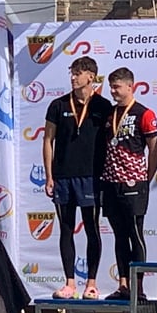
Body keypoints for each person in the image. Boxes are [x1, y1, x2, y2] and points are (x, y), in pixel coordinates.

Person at [43, 56, 112, 299]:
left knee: (92, 228)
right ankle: (69, 283)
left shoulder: (103, 106)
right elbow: (48, 140)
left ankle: (91, 283)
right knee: (66, 229)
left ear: (90, 77)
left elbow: (112, 141)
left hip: (92, 176)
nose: (73, 77)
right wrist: (49, 175)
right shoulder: (58, 105)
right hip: (63, 177)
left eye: (77, 73)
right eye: (71, 73)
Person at [101, 67, 157, 301]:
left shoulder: (144, 113)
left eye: (117, 87)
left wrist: (146, 178)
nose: (113, 91)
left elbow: (154, 150)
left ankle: (139, 287)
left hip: (134, 182)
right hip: (111, 183)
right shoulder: (109, 114)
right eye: (111, 87)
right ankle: (123, 285)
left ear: (130, 86)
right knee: (119, 235)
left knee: (135, 234)